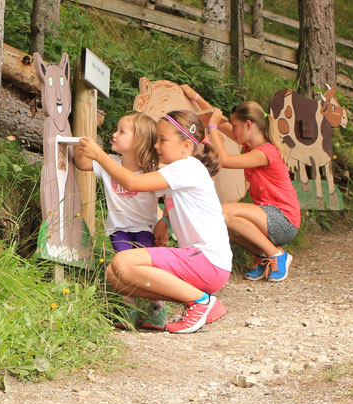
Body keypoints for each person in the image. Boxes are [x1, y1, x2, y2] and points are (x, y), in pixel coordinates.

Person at [78, 110, 231, 334]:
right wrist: (164, 223)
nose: (156, 145)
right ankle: (194, 301)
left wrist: (98, 155)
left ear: (186, 146)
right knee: (115, 275)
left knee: (122, 263)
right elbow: (181, 204)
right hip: (203, 263)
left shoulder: (187, 166)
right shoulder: (178, 171)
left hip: (206, 261)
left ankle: (201, 302)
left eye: (163, 140)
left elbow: (132, 183)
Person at [73, 111, 169, 330]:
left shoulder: (151, 171)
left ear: (139, 141)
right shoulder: (110, 163)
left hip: (146, 228)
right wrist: (81, 150)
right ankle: (128, 306)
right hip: (119, 229)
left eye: (121, 131)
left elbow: (170, 198)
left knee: (147, 268)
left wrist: (165, 223)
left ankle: (157, 306)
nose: (114, 134)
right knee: (122, 268)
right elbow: (83, 165)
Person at [207, 102, 301, 282]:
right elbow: (222, 120)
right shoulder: (252, 147)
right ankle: (264, 254)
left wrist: (212, 126)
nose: (232, 131)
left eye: (236, 127)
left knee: (224, 212)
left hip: (283, 220)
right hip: (267, 216)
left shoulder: (265, 152)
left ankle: (276, 254)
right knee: (219, 224)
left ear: (249, 125)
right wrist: (195, 98)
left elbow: (225, 160)